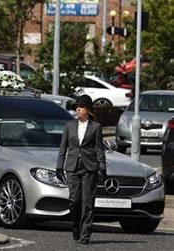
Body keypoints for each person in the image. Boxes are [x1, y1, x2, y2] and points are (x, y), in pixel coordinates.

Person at [56, 94, 106, 244]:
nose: (78, 109)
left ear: (88, 110)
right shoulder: (69, 125)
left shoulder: (95, 127)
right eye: (77, 106)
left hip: (89, 167)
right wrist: (59, 165)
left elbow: (99, 148)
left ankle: (85, 234)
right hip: (72, 167)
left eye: (82, 106)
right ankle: (76, 226)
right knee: (74, 201)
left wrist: (102, 167)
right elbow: (63, 147)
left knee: (87, 202)